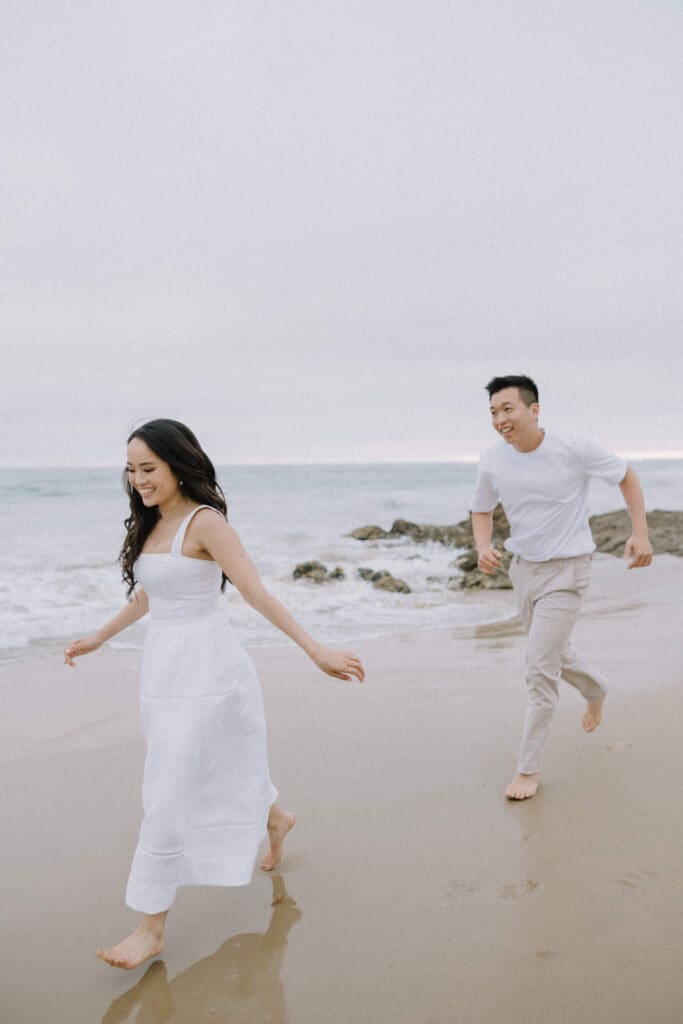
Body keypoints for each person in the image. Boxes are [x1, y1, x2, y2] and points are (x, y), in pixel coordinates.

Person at [64, 419, 365, 969]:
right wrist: (98, 637)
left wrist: (315, 650)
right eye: (131, 471)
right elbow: (151, 594)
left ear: (178, 464)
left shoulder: (206, 522)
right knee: (212, 763)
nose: (138, 480)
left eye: (148, 469)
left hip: (211, 671)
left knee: (169, 787)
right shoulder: (153, 522)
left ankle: (151, 927)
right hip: (164, 673)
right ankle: (275, 817)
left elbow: (254, 591)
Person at [470, 375, 652, 801]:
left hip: (569, 571)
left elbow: (626, 475)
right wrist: (482, 548)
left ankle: (528, 770)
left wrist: (640, 533)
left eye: (508, 409)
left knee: (539, 666)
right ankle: (595, 688)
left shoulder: (573, 449)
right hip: (523, 571)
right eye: (493, 412)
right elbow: (481, 509)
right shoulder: (492, 460)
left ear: (534, 409)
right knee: (554, 653)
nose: (500, 419)